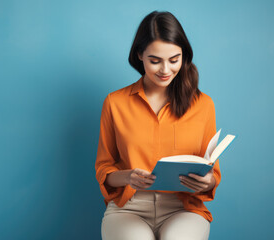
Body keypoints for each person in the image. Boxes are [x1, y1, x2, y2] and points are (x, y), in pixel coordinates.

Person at [95, 11, 221, 240]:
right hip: (129, 207)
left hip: (183, 207)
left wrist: (205, 181)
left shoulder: (203, 104)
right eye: (155, 61)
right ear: (139, 55)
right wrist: (128, 176)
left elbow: (213, 173)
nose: (165, 70)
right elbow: (104, 168)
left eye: (174, 60)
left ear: (184, 56)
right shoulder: (115, 102)